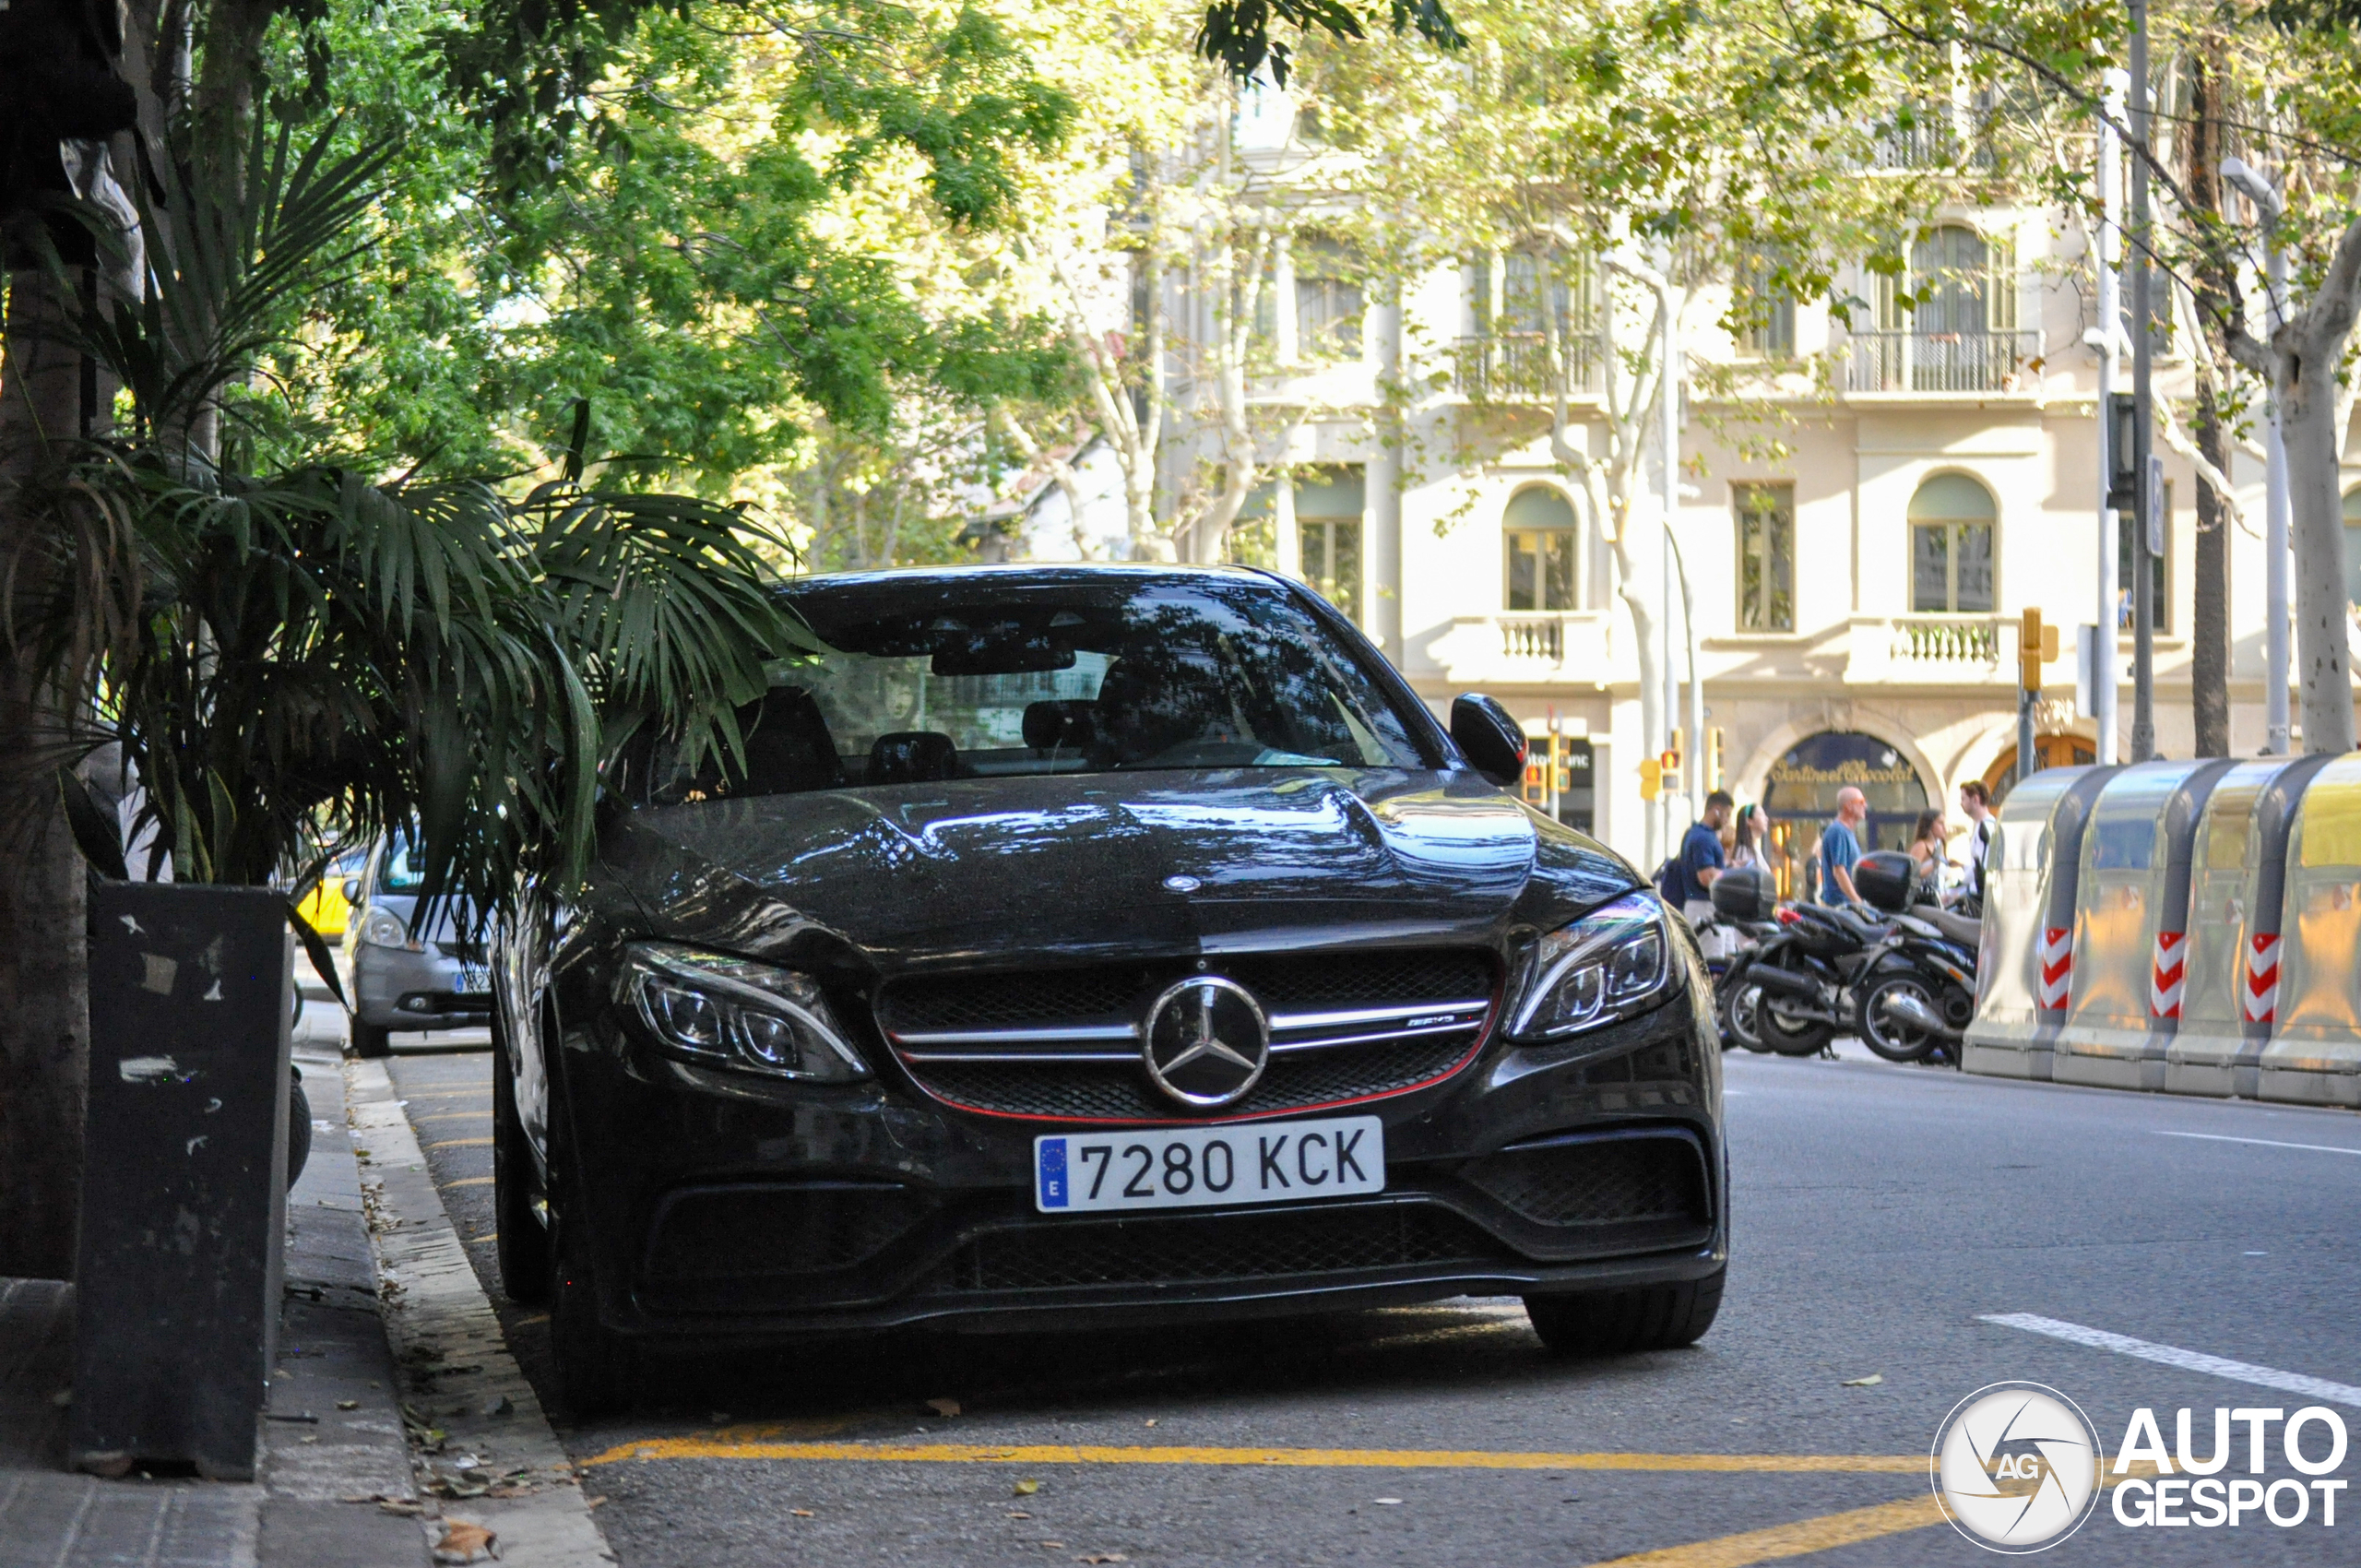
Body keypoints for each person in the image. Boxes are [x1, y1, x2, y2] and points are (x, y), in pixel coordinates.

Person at [1672, 790, 1734, 924]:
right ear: (1716, 810)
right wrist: (1732, 875)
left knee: (1726, 946)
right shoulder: (1703, 838)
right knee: (1712, 946)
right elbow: (1706, 877)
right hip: (1704, 907)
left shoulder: (1698, 833)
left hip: (1708, 906)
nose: (1728, 821)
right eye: (1727, 815)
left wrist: (1728, 866)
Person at [1818, 785, 1869, 906]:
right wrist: (1858, 902)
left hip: (1845, 904)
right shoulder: (1838, 831)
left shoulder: (1846, 832)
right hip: (1839, 906)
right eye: (1861, 802)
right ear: (1848, 806)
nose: (1865, 806)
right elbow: (1839, 872)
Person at [1958, 779, 1995, 911]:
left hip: (1978, 897)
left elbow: (1981, 867)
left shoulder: (1984, 829)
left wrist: (1960, 887)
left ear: (1975, 799)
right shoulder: (1983, 826)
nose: (1961, 803)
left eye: (1963, 799)